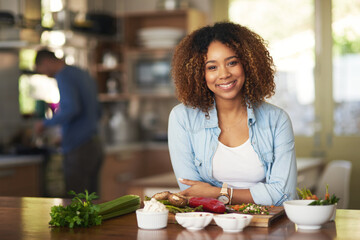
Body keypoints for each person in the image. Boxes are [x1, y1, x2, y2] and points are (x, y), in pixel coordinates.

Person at [168, 22, 297, 206]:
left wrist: (219, 193)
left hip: (270, 226)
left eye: (232, 62)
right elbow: (192, 193)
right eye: (212, 67)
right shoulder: (182, 119)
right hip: (211, 225)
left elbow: (283, 193)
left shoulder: (277, 120)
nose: (224, 74)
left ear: (248, 64)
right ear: (198, 74)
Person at [34, 49, 103, 195]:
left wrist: (44, 124)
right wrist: (68, 135)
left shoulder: (63, 76)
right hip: (95, 145)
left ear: (46, 62)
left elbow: (71, 108)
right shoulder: (82, 73)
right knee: (93, 201)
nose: (46, 75)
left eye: (42, 71)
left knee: (76, 202)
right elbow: (97, 111)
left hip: (79, 150)